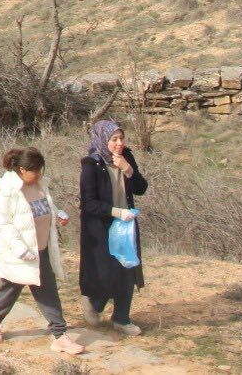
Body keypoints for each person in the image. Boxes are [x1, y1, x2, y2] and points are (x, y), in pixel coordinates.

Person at [0, 148, 84, 357]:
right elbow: (2, 225)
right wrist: (21, 250)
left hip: (41, 250)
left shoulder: (41, 186)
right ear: (22, 170)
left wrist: (58, 214)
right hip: (17, 254)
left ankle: (59, 335)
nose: (39, 174)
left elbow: (45, 208)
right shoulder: (6, 191)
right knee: (10, 289)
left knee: (48, 291)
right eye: (35, 171)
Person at [79, 121, 148, 336]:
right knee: (106, 272)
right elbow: (89, 203)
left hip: (126, 225)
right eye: (114, 139)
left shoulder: (126, 157)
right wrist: (116, 212)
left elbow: (141, 188)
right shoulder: (91, 164)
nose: (119, 143)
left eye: (121, 138)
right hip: (101, 228)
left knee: (127, 269)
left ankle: (121, 319)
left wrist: (128, 170)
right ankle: (94, 303)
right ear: (103, 140)